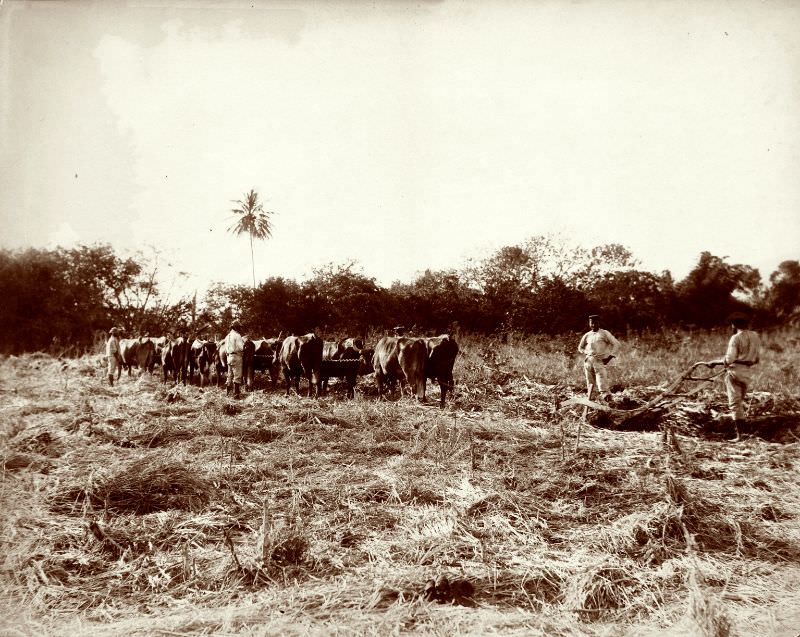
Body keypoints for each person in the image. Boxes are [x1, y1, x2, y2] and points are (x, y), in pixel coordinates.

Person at [704, 312, 761, 440]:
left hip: (735, 372)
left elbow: (729, 359)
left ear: (734, 325)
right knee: (740, 402)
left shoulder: (735, 338)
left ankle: (741, 435)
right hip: (747, 372)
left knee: (735, 404)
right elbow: (756, 359)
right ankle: (744, 432)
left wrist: (714, 362)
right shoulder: (755, 336)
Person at [577, 314, 620, 402]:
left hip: (599, 361)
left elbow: (616, 344)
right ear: (589, 323)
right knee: (590, 384)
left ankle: (609, 403)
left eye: (595, 323)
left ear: (599, 323)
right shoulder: (587, 335)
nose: (593, 325)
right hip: (588, 362)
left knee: (602, 384)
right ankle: (592, 404)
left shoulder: (604, 333)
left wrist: (610, 356)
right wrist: (586, 352)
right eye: (591, 323)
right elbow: (580, 347)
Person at [224, 320, 245, 399]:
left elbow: (225, 349)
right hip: (236, 356)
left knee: (229, 375)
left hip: (229, 357)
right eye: (239, 327)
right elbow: (241, 347)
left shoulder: (227, 336)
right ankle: (236, 395)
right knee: (237, 376)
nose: (240, 329)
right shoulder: (237, 335)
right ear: (236, 327)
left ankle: (228, 394)